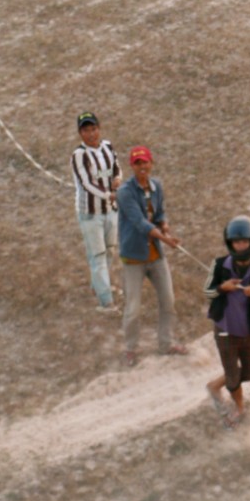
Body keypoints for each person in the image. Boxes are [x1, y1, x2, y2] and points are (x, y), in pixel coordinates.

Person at [115, 145, 185, 364]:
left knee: (168, 301)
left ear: (151, 163)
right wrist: (166, 239)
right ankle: (131, 349)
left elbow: (160, 212)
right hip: (134, 257)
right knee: (133, 308)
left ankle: (166, 343)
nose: (142, 167)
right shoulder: (124, 192)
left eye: (145, 162)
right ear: (132, 166)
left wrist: (165, 225)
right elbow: (140, 223)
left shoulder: (157, 186)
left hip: (155, 255)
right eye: (137, 163)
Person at [203, 216, 250, 427]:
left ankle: (214, 386)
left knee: (249, 373)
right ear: (230, 243)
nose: (240, 246)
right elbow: (208, 292)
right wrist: (223, 288)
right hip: (225, 330)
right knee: (233, 378)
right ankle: (239, 408)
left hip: (249, 330)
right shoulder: (220, 265)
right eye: (236, 242)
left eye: (244, 241)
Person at [70, 112, 120, 310]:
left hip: (110, 210)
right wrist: (109, 194)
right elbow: (87, 183)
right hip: (90, 213)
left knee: (109, 250)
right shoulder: (79, 155)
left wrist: (117, 180)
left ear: (99, 128)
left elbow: (117, 168)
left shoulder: (107, 147)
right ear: (80, 133)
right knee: (97, 255)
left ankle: (99, 285)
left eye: (93, 129)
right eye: (86, 131)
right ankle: (106, 301)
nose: (91, 134)